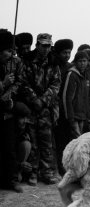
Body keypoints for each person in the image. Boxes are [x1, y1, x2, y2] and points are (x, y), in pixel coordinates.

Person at [20, 33, 61, 185]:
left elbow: (56, 85)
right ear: (37, 45)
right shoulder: (27, 61)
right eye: (43, 45)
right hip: (30, 107)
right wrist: (34, 99)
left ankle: (47, 172)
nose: (45, 48)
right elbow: (23, 83)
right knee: (33, 140)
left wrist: (43, 100)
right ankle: (32, 173)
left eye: (48, 46)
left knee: (46, 141)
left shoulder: (54, 63)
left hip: (45, 108)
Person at [0, 30, 25, 192]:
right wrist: (3, 83)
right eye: (8, 50)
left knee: (9, 147)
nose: (11, 54)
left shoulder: (12, 64)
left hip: (7, 112)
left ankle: (11, 180)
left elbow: (19, 83)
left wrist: (8, 97)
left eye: (12, 51)